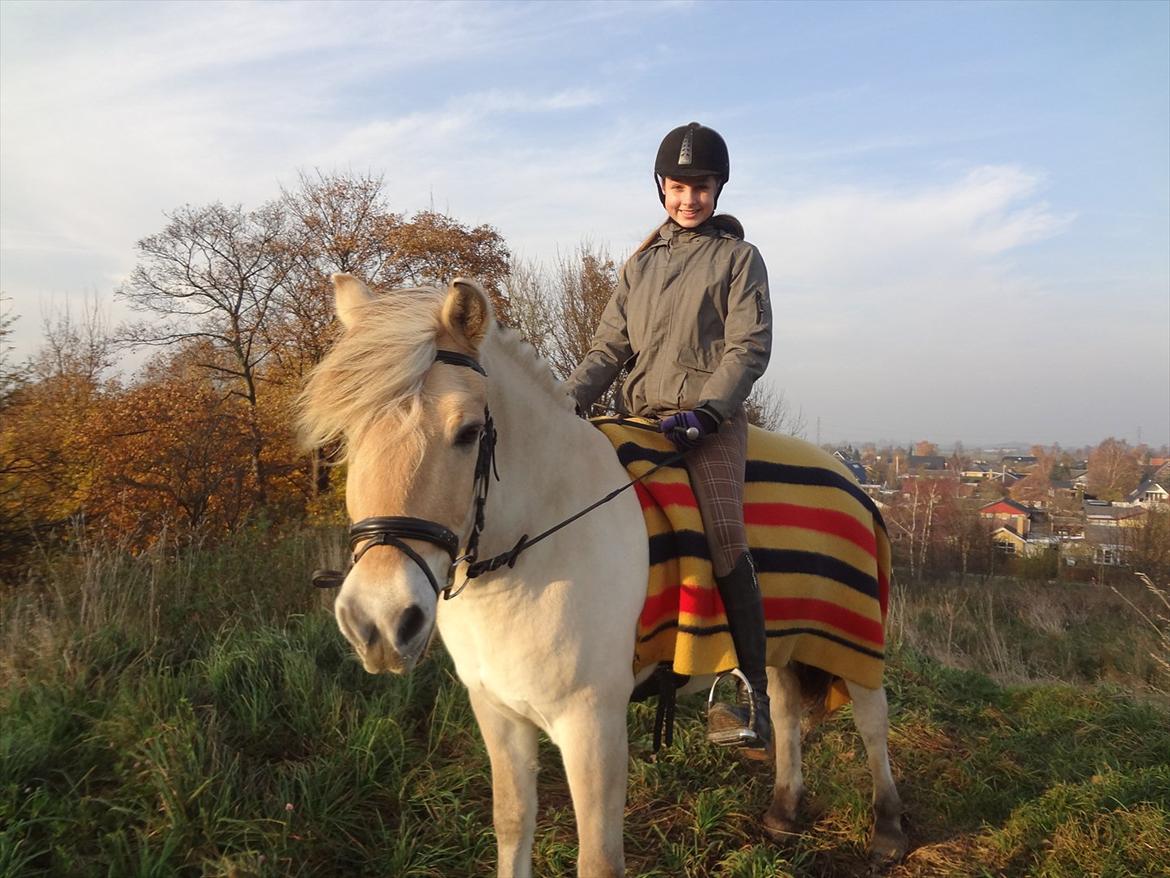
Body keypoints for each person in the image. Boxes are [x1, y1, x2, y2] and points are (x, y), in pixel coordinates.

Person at [563, 122, 773, 755]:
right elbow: (608, 347)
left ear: (718, 189)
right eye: (679, 186)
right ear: (662, 188)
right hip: (639, 417)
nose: (689, 198)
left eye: (701, 186)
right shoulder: (639, 266)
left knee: (723, 533)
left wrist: (710, 412)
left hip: (708, 423)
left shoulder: (739, 259)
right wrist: (563, 403)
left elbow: (748, 346)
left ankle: (751, 692)